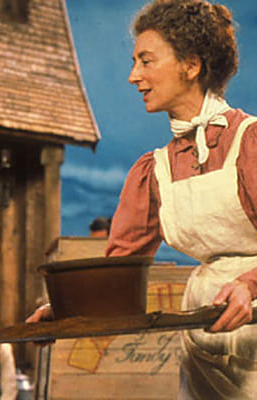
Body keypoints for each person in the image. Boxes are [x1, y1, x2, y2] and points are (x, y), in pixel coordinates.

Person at [105, 1, 257, 398]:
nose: (133, 76)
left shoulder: (250, 144)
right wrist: (66, 309)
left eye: (146, 61)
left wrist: (249, 285)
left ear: (190, 66)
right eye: (134, 62)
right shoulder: (154, 172)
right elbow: (118, 273)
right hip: (203, 348)